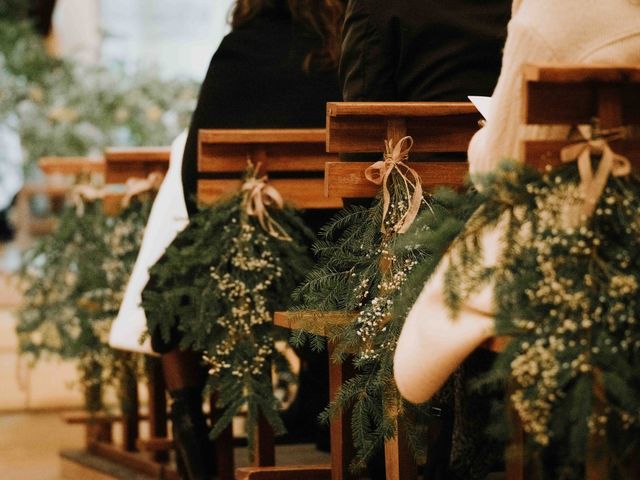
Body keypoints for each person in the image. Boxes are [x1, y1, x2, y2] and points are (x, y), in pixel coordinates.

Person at [395, 0, 640, 407]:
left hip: (571, 239)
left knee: (451, 262)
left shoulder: (550, 13)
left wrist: (481, 140)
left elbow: (501, 171)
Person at [146, 2, 343, 479]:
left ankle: (191, 426)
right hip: (335, 255)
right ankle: (325, 409)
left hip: (249, 250)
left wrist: (218, 239)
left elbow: (197, 177)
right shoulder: (341, 53)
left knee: (162, 288)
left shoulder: (238, 50)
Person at [338, 1, 512, 478]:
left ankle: (385, 459)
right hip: (508, 215)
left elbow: (359, 133)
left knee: (373, 274)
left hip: (411, 223)